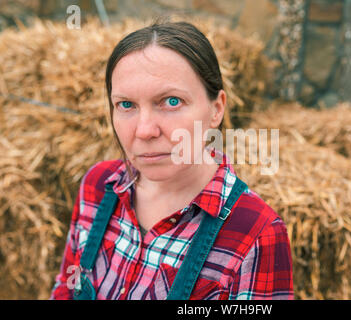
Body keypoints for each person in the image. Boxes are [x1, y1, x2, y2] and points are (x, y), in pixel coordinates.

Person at [50, 20, 293, 300]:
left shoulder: (256, 233)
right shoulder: (98, 185)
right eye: (126, 105)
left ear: (216, 109)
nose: (144, 131)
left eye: (171, 101)